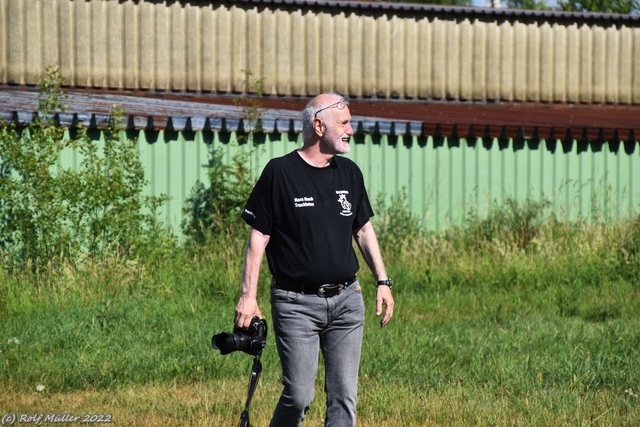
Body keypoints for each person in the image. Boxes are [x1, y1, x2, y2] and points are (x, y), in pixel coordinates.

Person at [234, 92, 394, 427]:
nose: (352, 129)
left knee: (344, 397)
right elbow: (258, 238)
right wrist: (248, 298)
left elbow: (363, 230)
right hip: (295, 304)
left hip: (347, 301)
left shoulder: (349, 173)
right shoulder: (280, 173)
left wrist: (382, 280)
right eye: (344, 123)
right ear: (319, 126)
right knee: (298, 396)